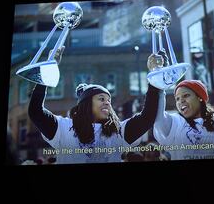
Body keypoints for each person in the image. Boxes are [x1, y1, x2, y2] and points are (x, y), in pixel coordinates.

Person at [28, 46, 160, 164]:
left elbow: (147, 117)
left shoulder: (119, 132)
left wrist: (154, 77)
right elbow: (35, 112)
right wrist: (48, 70)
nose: (107, 103)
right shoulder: (63, 128)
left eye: (108, 100)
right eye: (101, 98)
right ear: (86, 103)